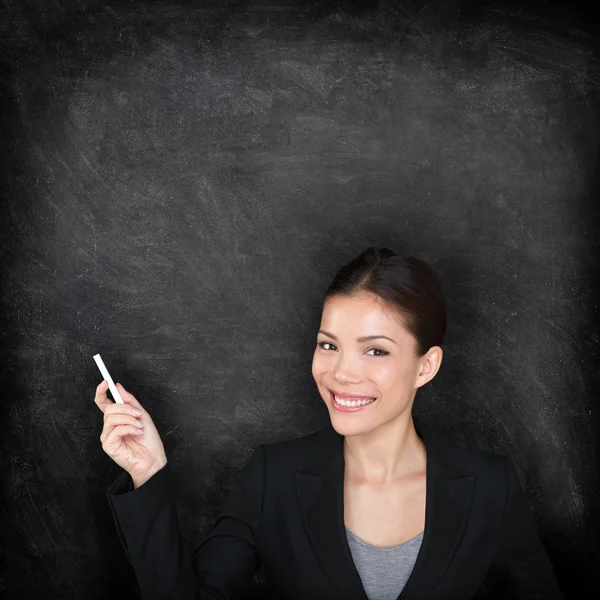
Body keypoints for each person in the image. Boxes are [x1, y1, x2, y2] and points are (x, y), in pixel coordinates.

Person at [97, 246, 565, 600]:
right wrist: (148, 472)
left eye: (375, 350)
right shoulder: (272, 478)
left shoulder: (489, 486)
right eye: (328, 345)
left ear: (426, 365)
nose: (342, 372)